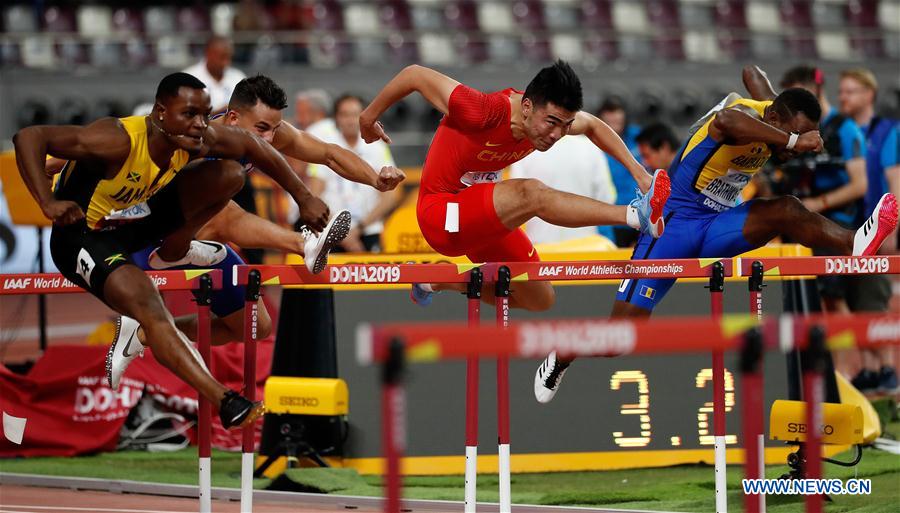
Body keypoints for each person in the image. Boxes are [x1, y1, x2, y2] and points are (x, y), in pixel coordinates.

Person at [534, 65, 899, 403]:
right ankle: (563, 352)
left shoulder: (772, 112)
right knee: (619, 339)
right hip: (672, 226)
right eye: (795, 135)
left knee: (785, 209)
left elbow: (752, 73)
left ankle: (855, 243)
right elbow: (727, 120)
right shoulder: (740, 117)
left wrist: (787, 124)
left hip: (716, 225)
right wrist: (789, 141)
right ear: (773, 120)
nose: (797, 146)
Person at [13, 72, 330, 429]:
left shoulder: (197, 138)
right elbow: (29, 136)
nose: (199, 125)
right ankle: (224, 400)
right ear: (161, 112)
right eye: (189, 114)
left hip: (136, 226)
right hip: (84, 236)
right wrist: (48, 201)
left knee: (231, 175)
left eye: (204, 114)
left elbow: (254, 146)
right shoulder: (115, 139)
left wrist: (303, 197)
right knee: (150, 308)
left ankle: (176, 248)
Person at [108, 75, 405, 389]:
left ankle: (142, 334)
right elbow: (112, 144)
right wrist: (53, 168)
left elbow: (328, 153)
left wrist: (375, 179)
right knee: (226, 202)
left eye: (275, 129)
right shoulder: (193, 134)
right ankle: (303, 243)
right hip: (145, 239)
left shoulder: (269, 134)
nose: (269, 138)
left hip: (199, 239)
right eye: (262, 128)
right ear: (233, 118)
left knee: (254, 326)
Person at [360, 61, 669, 312]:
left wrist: (641, 175)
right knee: (530, 193)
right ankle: (634, 215)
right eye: (552, 123)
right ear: (526, 107)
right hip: (441, 214)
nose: (557, 134)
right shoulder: (479, 109)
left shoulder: (552, 119)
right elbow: (414, 74)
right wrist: (368, 118)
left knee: (540, 298)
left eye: (565, 125)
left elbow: (593, 125)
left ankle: (436, 280)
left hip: (482, 221)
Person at [778, 65, 868, 315]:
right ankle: (814, 354)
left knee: (833, 300)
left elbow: (860, 184)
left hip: (833, 224)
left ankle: (844, 355)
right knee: (802, 301)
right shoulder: (794, 131)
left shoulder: (845, 129)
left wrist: (819, 203)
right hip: (799, 224)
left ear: (813, 89)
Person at [837, 67, 900, 392]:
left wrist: (892, 230)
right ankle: (872, 370)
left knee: (873, 299)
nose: (843, 97)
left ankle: (887, 367)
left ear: (869, 94)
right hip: (848, 230)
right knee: (852, 298)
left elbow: (895, 181)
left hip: (876, 230)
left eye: (850, 91)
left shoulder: (886, 131)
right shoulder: (842, 133)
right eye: (841, 91)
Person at [308, 94, 400, 252]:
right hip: (331, 232)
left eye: (355, 114)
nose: (350, 120)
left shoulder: (377, 146)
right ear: (336, 118)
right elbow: (315, 195)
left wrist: (359, 229)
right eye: (344, 114)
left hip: (369, 230)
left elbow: (390, 196)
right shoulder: (324, 146)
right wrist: (341, 233)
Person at [509, 132, 617, 244]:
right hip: (585, 246)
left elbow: (514, 200)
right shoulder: (591, 148)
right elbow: (607, 198)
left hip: (540, 246)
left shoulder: (525, 149)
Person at [598, 97, 643, 247]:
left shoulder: (638, 137)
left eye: (617, 112)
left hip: (641, 213)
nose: (614, 117)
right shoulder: (593, 146)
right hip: (614, 216)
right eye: (609, 113)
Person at [182, 35, 246, 114]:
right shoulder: (188, 78)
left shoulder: (238, 77)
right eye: (222, 57)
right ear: (208, 54)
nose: (227, 63)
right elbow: (185, 114)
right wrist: (220, 113)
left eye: (229, 58)